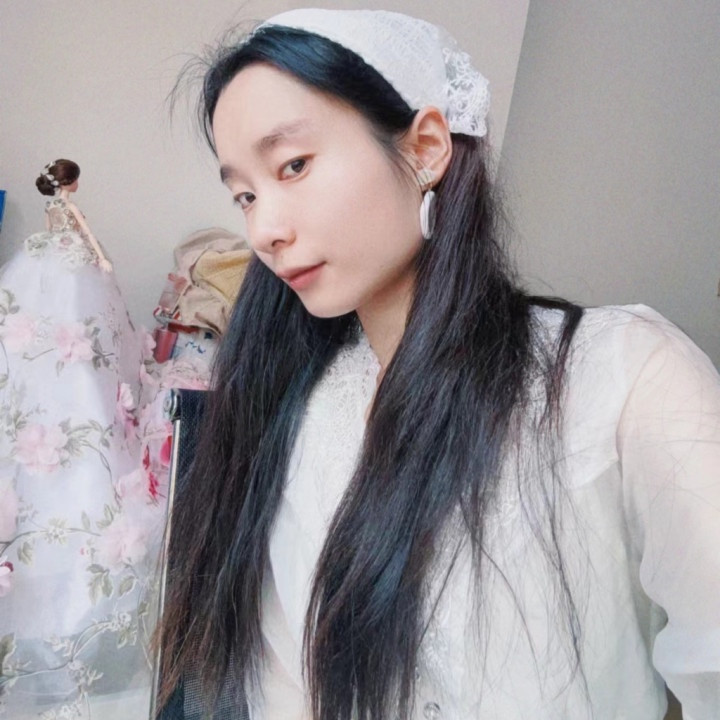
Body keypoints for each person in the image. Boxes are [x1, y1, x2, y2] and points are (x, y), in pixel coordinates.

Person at [157, 9, 720, 720]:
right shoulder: (300, 410)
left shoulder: (624, 376)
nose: (264, 230)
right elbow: (281, 689)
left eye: (293, 166)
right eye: (245, 195)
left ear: (425, 148)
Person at [0, 160, 158, 717]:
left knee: (82, 370)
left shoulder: (44, 233)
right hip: (72, 273)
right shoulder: (66, 216)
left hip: (63, 274)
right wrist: (98, 256)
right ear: (67, 185)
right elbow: (82, 233)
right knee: (60, 358)